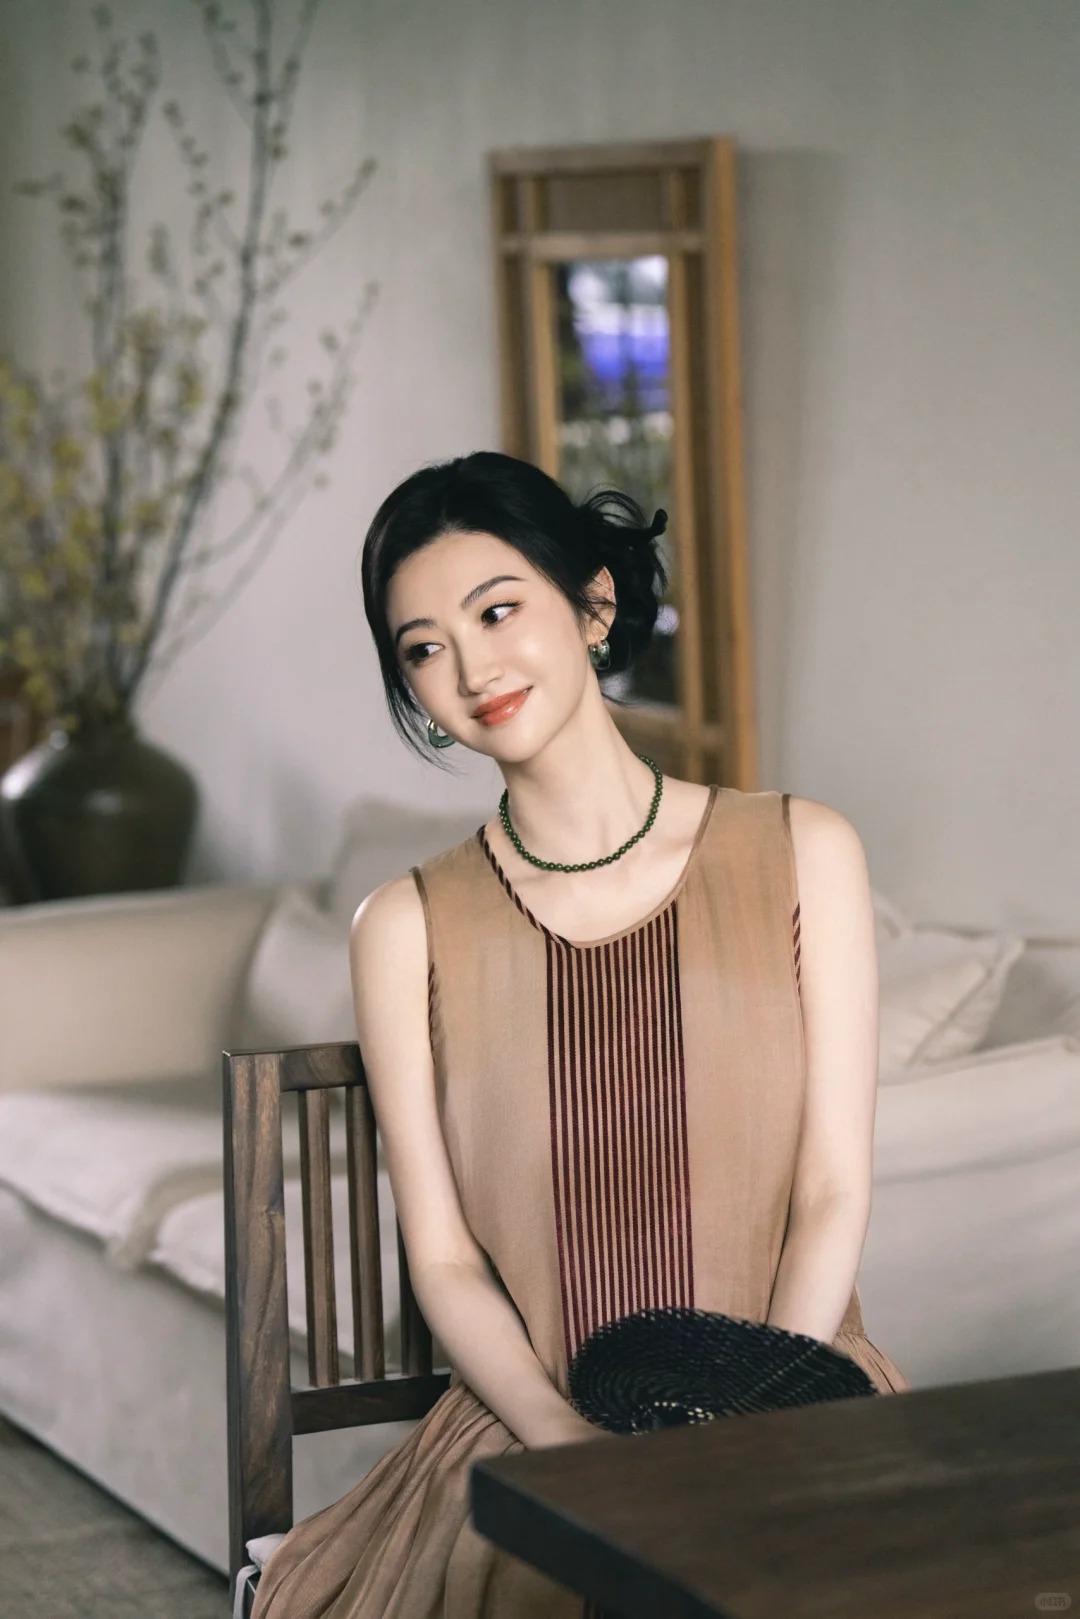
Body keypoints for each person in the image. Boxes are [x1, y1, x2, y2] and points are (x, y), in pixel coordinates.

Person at [251, 450, 909, 1618]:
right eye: (423, 648)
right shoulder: (404, 925)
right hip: (531, 1432)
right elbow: (445, 1258)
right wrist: (576, 1454)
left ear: (594, 605)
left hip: (793, 1397)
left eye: (497, 610)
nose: (470, 669)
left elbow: (832, 1188)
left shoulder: (807, 850)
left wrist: (745, 1422)